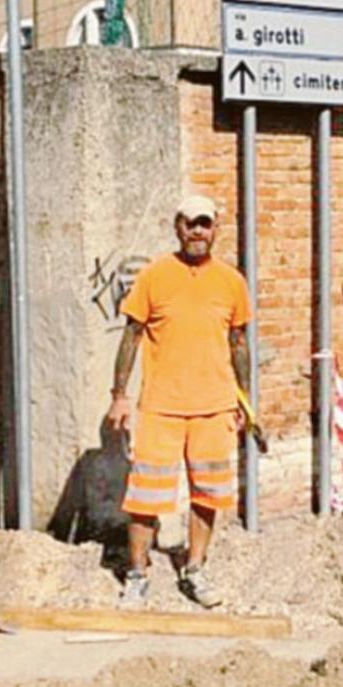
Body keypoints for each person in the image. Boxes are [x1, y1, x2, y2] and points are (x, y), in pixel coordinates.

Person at [106, 194, 252, 608]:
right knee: (145, 497)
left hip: (214, 407)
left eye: (205, 224)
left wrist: (245, 399)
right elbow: (131, 335)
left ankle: (195, 570)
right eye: (190, 223)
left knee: (207, 495)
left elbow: (238, 342)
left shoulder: (231, 281)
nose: (197, 232)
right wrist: (119, 396)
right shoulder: (155, 275)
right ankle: (137, 574)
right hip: (160, 408)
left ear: (215, 229)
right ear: (177, 226)